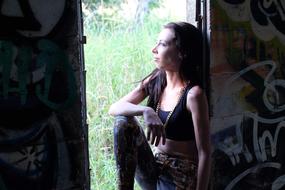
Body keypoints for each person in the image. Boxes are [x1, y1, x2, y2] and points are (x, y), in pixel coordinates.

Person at [108, 21, 211, 190]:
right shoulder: (157, 80)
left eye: (162, 44)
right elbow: (114, 108)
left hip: (181, 175)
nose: (154, 49)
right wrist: (146, 110)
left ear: (182, 52)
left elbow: (205, 153)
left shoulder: (194, 95)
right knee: (123, 122)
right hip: (154, 166)